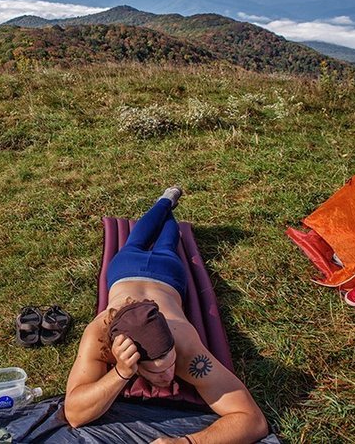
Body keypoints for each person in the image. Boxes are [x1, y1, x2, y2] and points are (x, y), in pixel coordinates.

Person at [64, 187, 268, 443]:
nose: (169, 376)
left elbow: (254, 420)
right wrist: (121, 374)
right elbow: (74, 414)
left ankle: (166, 205)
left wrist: (186, 442)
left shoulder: (184, 345)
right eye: (157, 372)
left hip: (166, 273)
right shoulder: (99, 334)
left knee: (168, 241)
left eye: (170, 364)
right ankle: (163, 204)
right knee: (136, 240)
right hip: (125, 269)